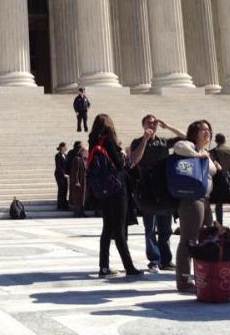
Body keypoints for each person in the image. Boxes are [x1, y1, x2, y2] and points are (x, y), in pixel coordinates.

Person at [89, 114, 143, 278]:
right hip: (117, 187)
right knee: (119, 228)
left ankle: (103, 267)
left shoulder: (94, 141)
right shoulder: (108, 140)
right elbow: (120, 164)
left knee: (107, 228)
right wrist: (122, 155)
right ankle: (129, 267)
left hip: (105, 189)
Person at [129, 114, 185, 273]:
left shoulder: (164, 142)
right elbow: (134, 160)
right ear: (143, 125)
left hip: (164, 187)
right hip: (147, 188)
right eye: (149, 123)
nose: (152, 125)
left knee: (165, 227)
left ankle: (166, 260)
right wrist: (145, 140)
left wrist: (168, 127)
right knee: (150, 227)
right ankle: (154, 260)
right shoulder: (137, 142)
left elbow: (187, 137)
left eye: (154, 123)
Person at [172, 120, 217, 292]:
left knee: (206, 238)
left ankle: (203, 274)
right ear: (194, 132)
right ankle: (183, 280)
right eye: (203, 130)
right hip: (192, 198)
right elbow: (178, 147)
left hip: (205, 199)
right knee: (189, 239)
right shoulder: (187, 145)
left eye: (209, 130)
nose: (207, 133)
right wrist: (198, 156)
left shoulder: (205, 151)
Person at [209, 133, 230, 225]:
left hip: (218, 180)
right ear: (224, 140)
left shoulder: (212, 152)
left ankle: (219, 222)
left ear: (216, 141)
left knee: (218, 203)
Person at [69, 145, 88, 217]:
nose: (88, 153)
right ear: (82, 152)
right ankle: (77, 213)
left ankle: (81, 212)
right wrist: (77, 181)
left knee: (82, 198)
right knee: (78, 198)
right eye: (86, 152)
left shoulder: (83, 159)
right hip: (79, 182)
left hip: (84, 181)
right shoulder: (77, 159)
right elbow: (75, 172)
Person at [54, 142, 69, 211]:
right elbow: (58, 166)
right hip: (59, 175)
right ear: (62, 147)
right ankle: (60, 205)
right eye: (65, 146)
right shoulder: (58, 156)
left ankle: (64, 204)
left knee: (65, 189)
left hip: (65, 175)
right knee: (61, 189)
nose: (66, 147)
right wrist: (63, 174)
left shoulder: (65, 155)